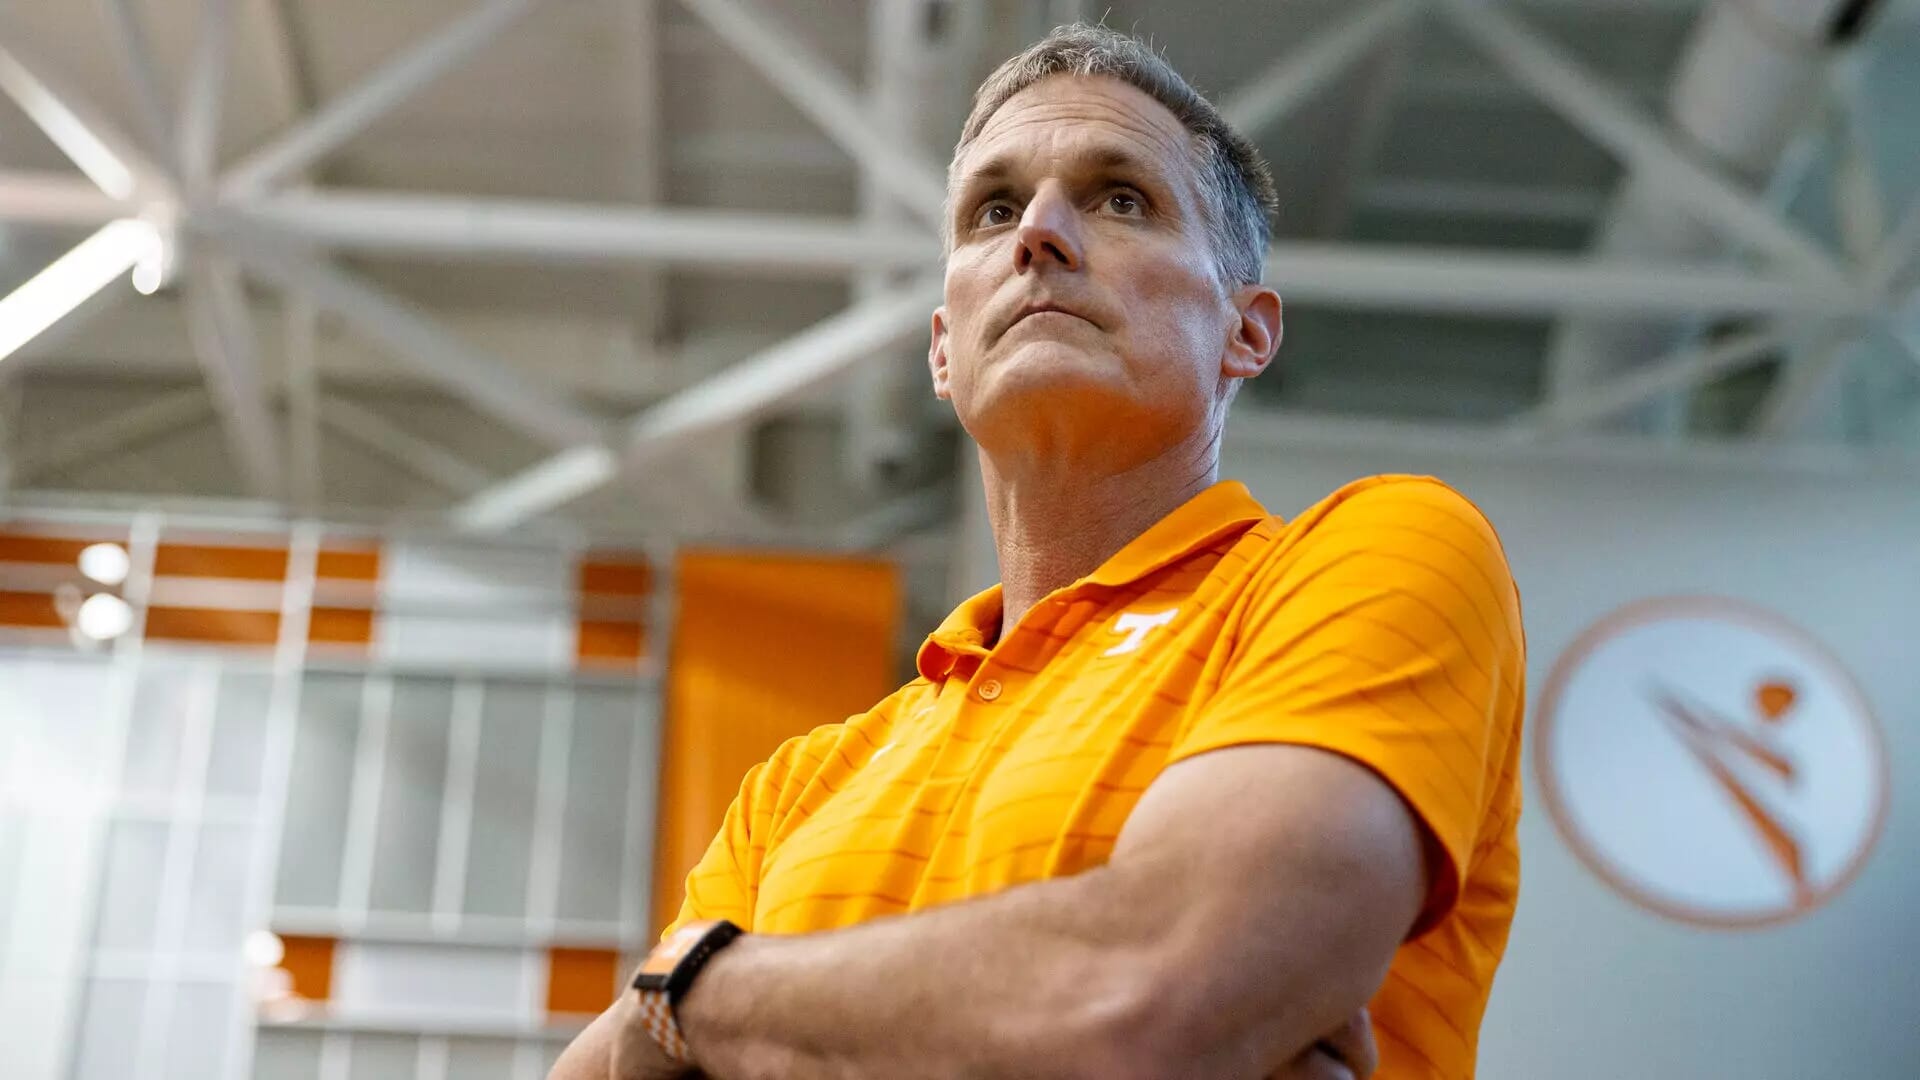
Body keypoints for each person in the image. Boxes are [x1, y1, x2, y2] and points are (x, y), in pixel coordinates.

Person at [553, 22, 1524, 1080]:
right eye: (994, 209)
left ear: (1246, 331)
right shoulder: (798, 787)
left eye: (1121, 200)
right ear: (942, 349)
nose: (1040, 236)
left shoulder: (1377, 557)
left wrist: (698, 997)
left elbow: (1148, 995)